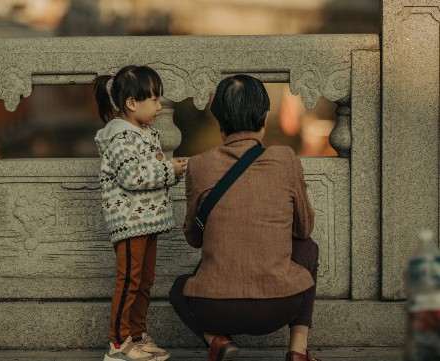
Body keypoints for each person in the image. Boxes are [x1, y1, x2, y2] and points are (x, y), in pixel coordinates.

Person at [169, 74, 320, 361]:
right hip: (280, 307)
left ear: (219, 121)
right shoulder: (286, 159)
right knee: (308, 247)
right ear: (264, 117)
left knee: (179, 288)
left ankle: (219, 340)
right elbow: (305, 227)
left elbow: (193, 238)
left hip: (213, 309)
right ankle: (298, 351)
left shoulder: (198, 165)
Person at [94, 65, 187, 361]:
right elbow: (132, 176)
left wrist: (173, 172)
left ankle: (137, 335)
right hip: (130, 222)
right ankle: (119, 343)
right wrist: (167, 168)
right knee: (129, 281)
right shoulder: (121, 137)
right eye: (155, 100)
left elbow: (151, 173)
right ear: (132, 103)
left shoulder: (144, 133)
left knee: (144, 280)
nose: (160, 107)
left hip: (147, 222)